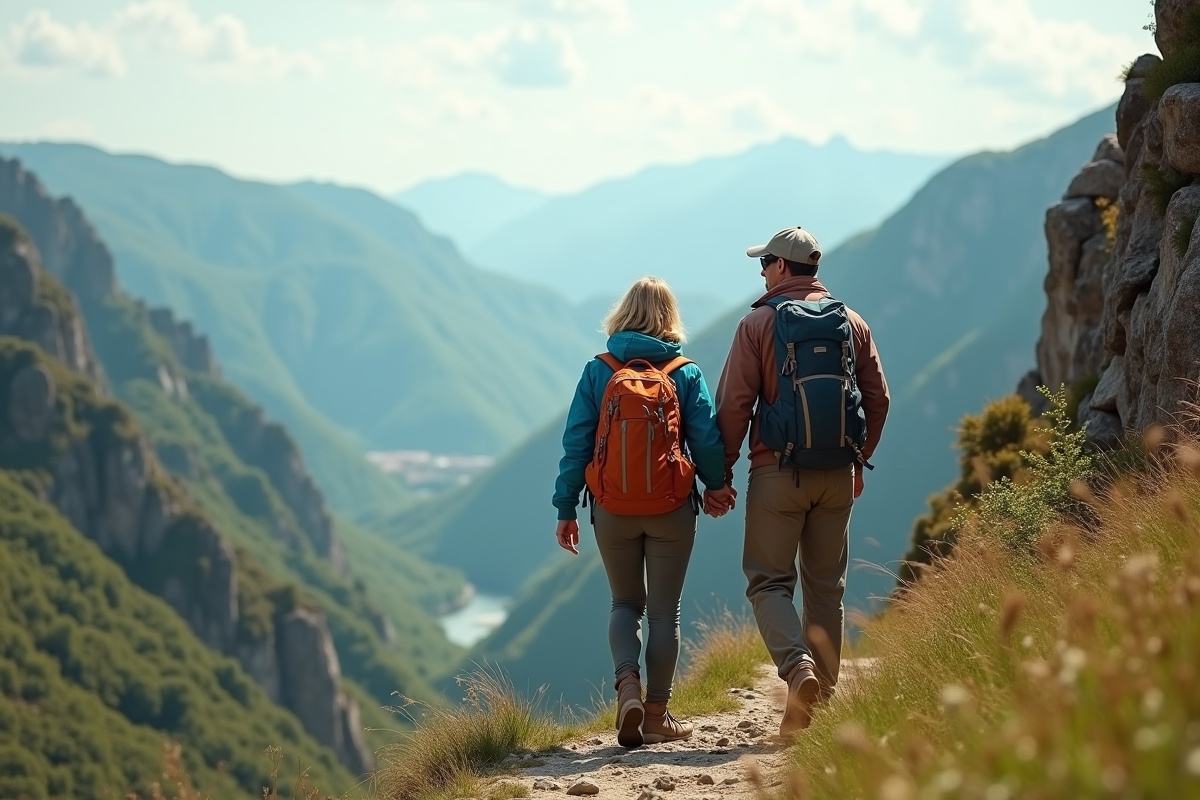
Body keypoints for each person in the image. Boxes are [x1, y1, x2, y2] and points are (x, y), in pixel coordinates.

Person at [709, 226, 889, 738]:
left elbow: (734, 407)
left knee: (767, 582)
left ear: (783, 267)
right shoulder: (852, 323)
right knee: (826, 590)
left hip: (777, 474)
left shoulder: (758, 324)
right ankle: (818, 709)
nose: (762, 271)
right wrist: (858, 459)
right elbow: (879, 400)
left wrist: (720, 477)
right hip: (836, 476)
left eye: (764, 262)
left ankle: (797, 670)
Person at [553, 276, 732, 748]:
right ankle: (656, 715)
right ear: (669, 317)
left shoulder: (599, 370)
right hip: (672, 507)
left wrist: (566, 506)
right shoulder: (684, 371)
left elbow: (576, 444)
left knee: (624, 604)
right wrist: (717, 487)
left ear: (623, 314)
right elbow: (707, 440)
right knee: (662, 612)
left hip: (611, 508)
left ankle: (626, 686)